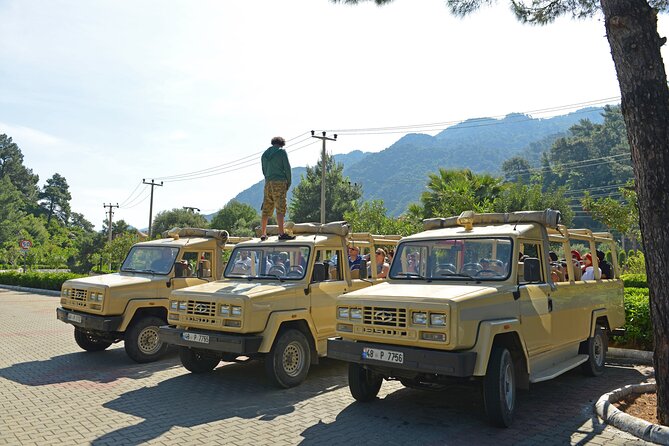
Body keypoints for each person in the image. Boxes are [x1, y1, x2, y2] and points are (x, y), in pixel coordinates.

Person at [260, 136, 294, 241]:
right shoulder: (281, 152)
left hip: (268, 182)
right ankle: (281, 233)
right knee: (280, 207)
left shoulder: (264, 154)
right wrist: (288, 182)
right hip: (279, 182)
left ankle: (263, 233)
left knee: (266, 208)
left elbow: (264, 170)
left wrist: (268, 180)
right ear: (282, 144)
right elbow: (287, 168)